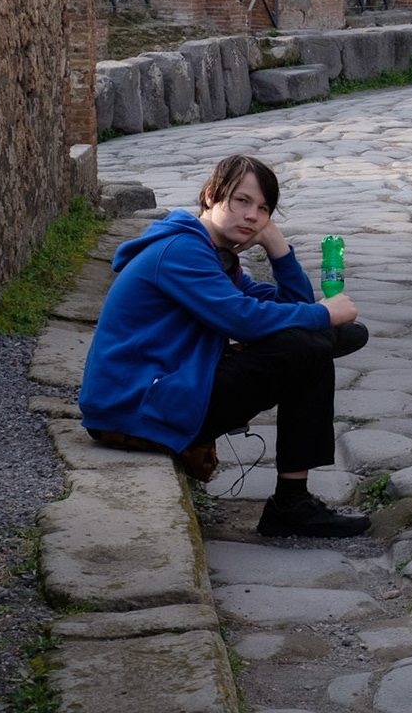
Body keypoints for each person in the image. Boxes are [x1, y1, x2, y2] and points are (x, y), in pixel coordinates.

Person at [79, 154, 372, 538]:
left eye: (263, 208)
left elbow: (289, 307)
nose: (253, 215)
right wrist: (323, 317)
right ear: (211, 196)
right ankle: (291, 504)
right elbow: (242, 319)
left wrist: (277, 247)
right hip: (134, 405)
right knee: (307, 346)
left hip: (171, 389)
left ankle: (292, 502)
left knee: (315, 343)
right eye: (242, 201)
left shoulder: (219, 260)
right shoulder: (181, 251)